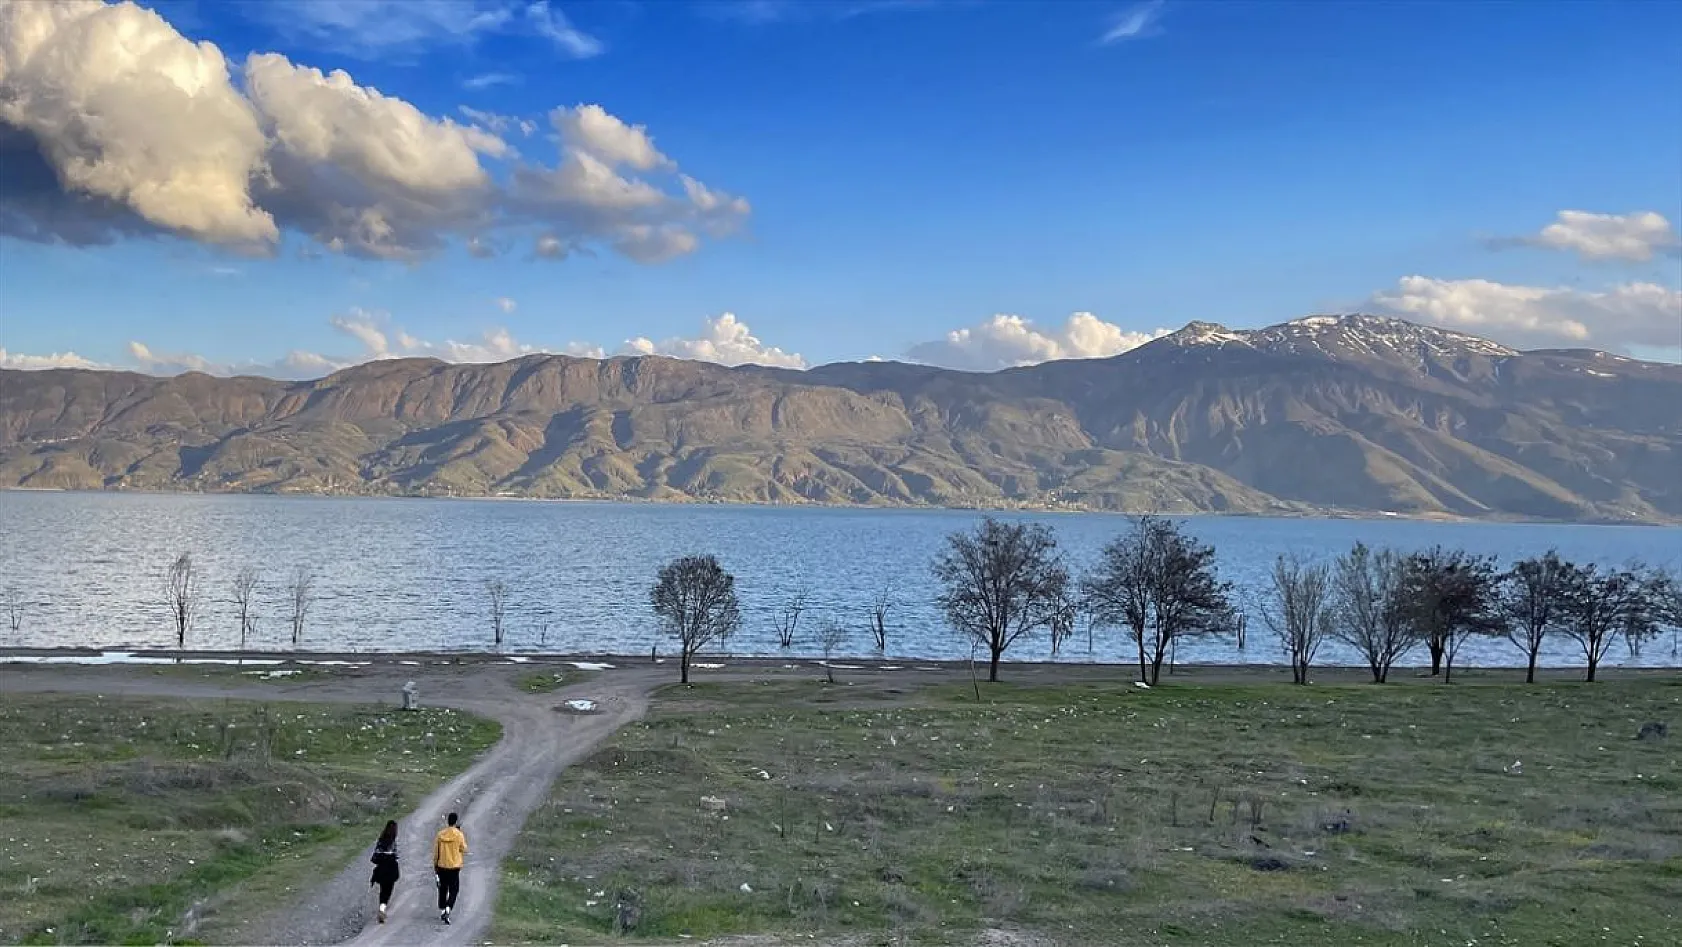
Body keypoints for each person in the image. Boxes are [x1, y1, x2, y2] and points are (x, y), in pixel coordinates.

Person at [433, 812, 468, 924]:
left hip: (442, 865)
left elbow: (436, 852)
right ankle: (448, 907)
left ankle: (443, 908)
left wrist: (435, 864)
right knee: (454, 889)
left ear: (447, 821)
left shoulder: (440, 834)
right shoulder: (459, 834)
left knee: (443, 888)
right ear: (456, 821)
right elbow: (464, 849)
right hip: (454, 867)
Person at [368, 820, 400, 924]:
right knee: (388, 891)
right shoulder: (393, 842)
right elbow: (396, 855)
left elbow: (376, 855)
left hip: (381, 869)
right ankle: (382, 908)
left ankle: (381, 909)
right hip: (391, 869)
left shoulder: (381, 840)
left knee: (383, 890)